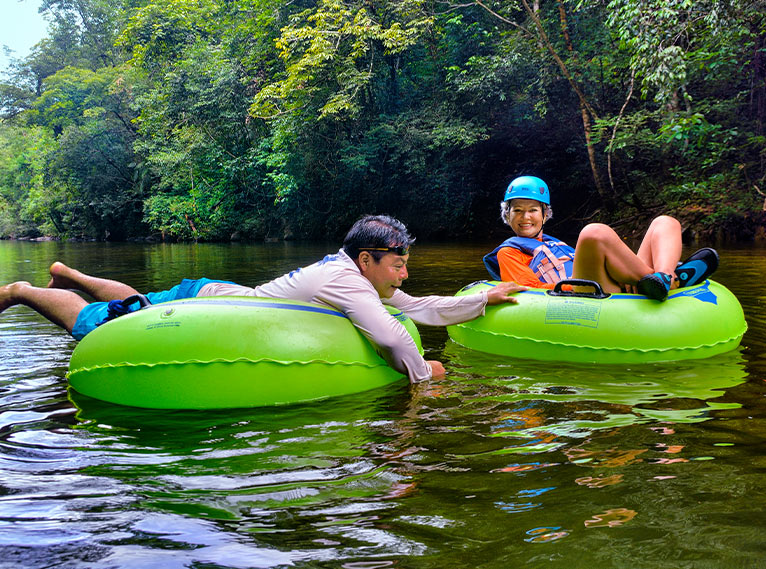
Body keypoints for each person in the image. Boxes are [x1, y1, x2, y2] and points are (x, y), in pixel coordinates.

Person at [0, 215, 525, 382]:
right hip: (208, 308)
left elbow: (416, 308)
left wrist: (482, 299)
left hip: (217, 293)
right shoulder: (346, 281)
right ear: (366, 260)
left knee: (139, 297)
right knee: (101, 323)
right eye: (398, 263)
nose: (406, 272)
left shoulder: (359, 277)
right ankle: (24, 290)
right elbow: (392, 334)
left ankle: (68, 271)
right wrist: (424, 382)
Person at [483, 176, 719, 301]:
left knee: (666, 222)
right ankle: (671, 280)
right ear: (507, 215)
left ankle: (664, 278)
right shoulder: (509, 252)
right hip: (582, 293)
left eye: (533, 210)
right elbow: (528, 290)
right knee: (593, 232)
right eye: (517, 210)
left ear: (545, 214)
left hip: (610, 283)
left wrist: (620, 273)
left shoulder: (554, 244)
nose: (525, 217)